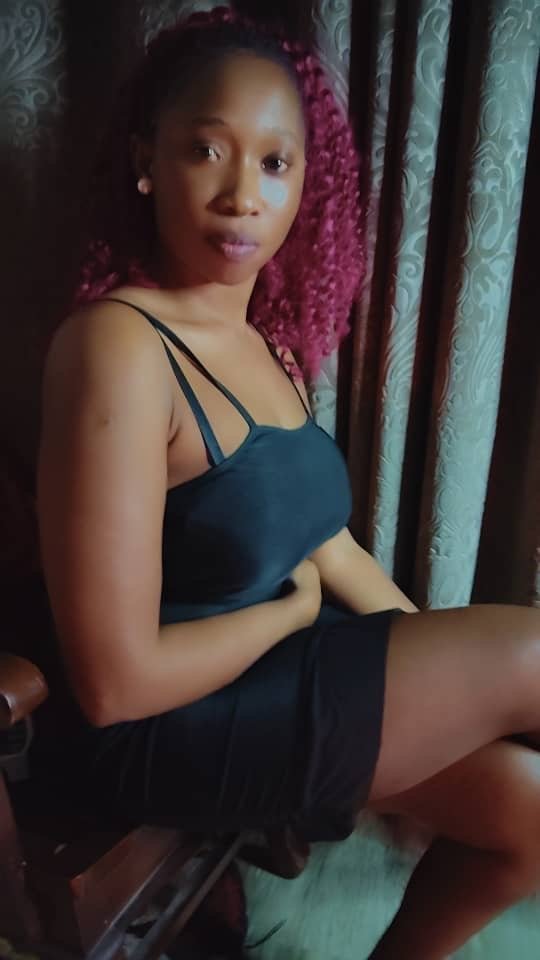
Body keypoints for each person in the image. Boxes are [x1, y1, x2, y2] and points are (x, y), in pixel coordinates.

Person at [33, 7, 540, 959]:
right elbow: (112, 686)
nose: (241, 196)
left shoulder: (269, 344)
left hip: (280, 669)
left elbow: (327, 547)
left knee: (526, 809)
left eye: (275, 163)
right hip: (163, 725)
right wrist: (290, 614)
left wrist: (439, 672)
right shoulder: (116, 346)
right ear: (147, 161)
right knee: (532, 657)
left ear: (308, 185)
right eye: (206, 150)